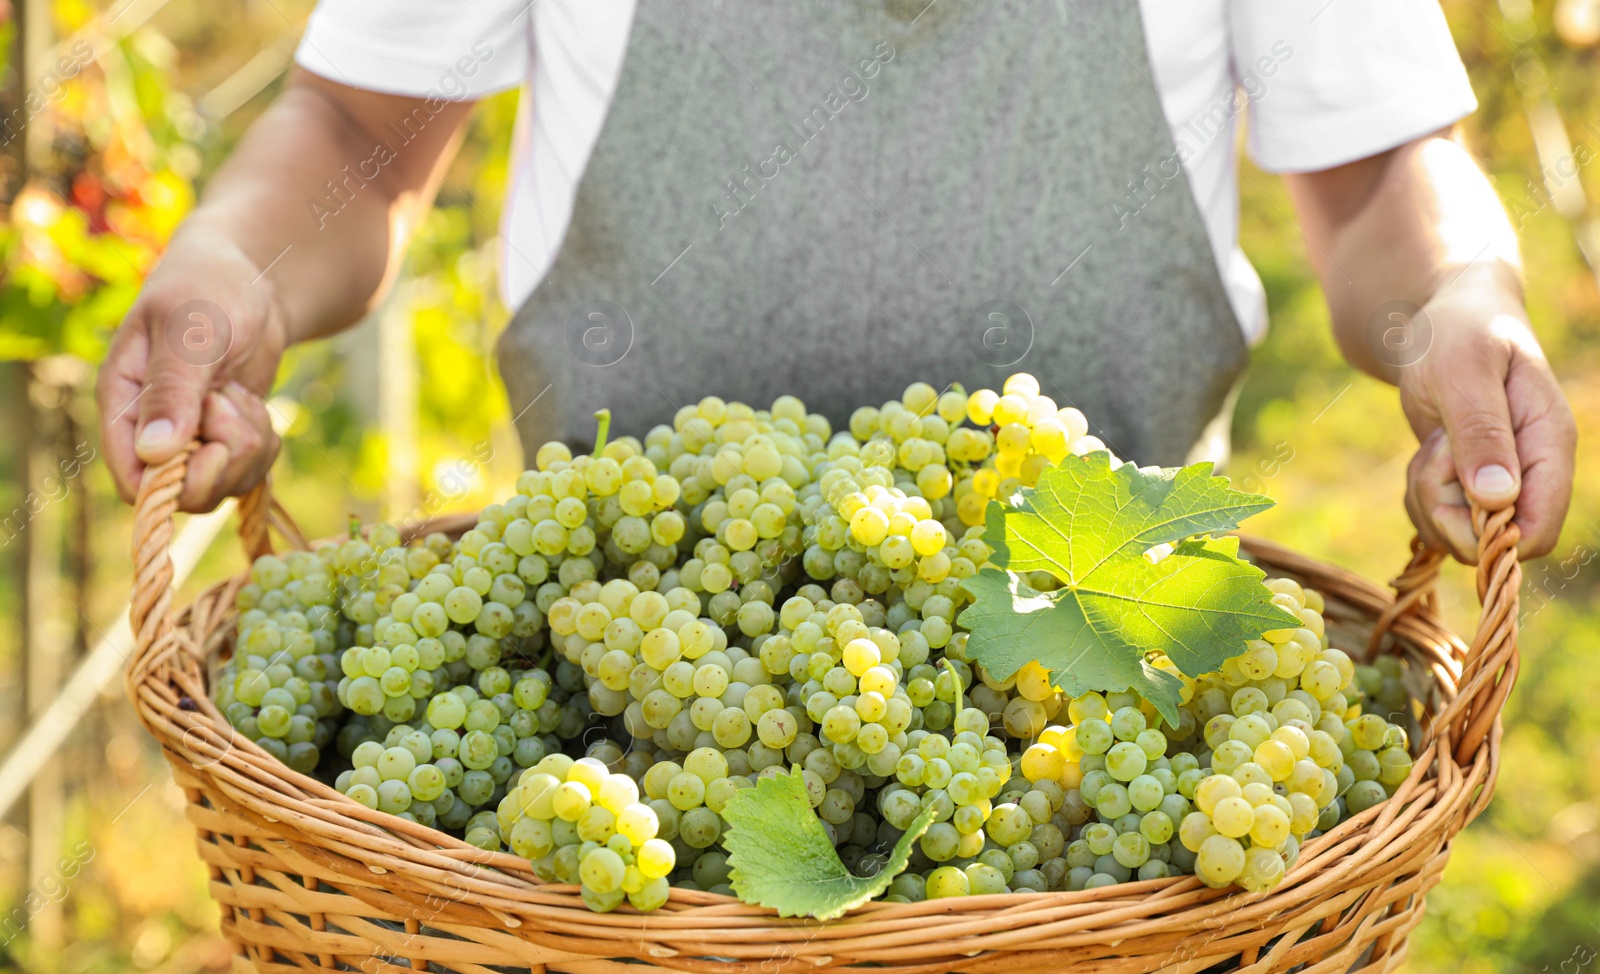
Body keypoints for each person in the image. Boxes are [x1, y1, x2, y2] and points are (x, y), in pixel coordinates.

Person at [97, 0, 1575, 563]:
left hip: (1097, 695)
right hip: (635, 696)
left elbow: (1384, 174)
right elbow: (365, 134)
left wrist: (1457, 299)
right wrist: (240, 262)